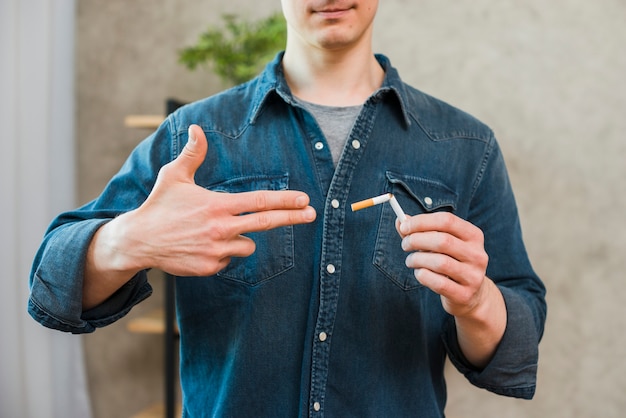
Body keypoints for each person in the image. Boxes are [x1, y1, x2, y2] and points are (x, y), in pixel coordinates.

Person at [29, 0, 547, 416]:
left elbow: (517, 344)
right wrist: (128, 240)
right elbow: (50, 285)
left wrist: (478, 302)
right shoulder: (197, 138)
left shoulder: (465, 146)